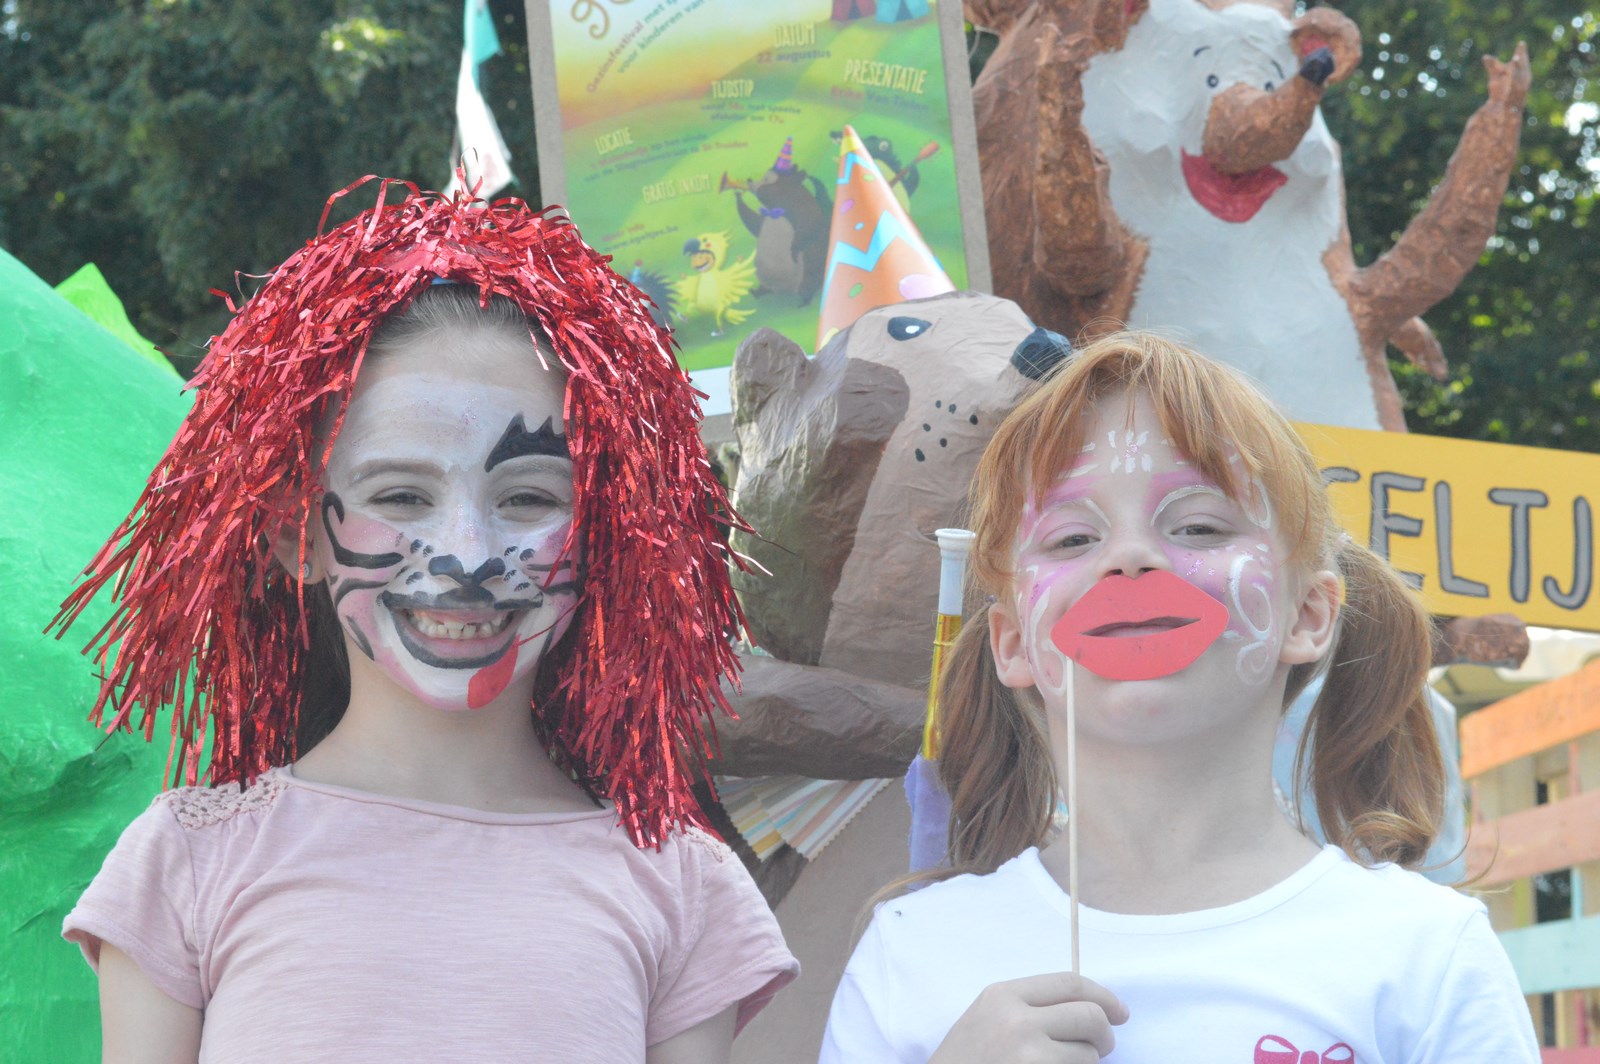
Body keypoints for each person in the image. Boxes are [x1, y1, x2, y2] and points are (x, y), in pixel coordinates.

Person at [55, 180, 797, 1062]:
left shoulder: (683, 887)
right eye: (402, 494)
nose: (469, 554)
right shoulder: (185, 865)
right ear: (299, 533)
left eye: (527, 498)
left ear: (605, 535)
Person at [820, 332, 1537, 1063]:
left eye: (1198, 525)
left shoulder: (1426, 956)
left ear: (1307, 616)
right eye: (1071, 539)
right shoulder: (911, 956)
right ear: (1014, 645)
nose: (1130, 556)